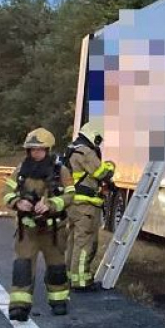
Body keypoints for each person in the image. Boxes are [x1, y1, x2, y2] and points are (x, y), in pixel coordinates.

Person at [2, 128, 74, 321]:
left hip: (53, 231)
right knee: (22, 267)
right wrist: (17, 202)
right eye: (32, 149)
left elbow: (70, 195)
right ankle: (19, 306)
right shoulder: (20, 171)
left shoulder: (61, 171)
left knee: (56, 268)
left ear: (48, 150)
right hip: (28, 231)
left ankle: (59, 301)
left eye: (40, 149)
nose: (36, 153)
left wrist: (50, 204)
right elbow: (6, 192)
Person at [65, 121, 116, 291]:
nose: (99, 142)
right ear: (93, 135)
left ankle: (70, 276)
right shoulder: (86, 152)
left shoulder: (72, 148)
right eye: (99, 139)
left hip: (73, 204)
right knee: (85, 243)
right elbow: (102, 172)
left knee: (73, 241)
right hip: (86, 205)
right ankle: (80, 281)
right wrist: (111, 166)